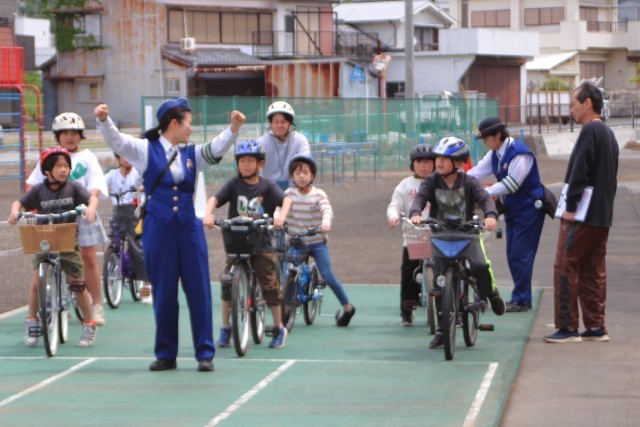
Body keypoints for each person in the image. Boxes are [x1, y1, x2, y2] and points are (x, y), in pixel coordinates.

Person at [95, 98, 246, 372]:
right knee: (164, 291)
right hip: (158, 228)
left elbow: (215, 148)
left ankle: (205, 353)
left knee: (199, 290)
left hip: (189, 229)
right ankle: (166, 353)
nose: (191, 128)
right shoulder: (145, 149)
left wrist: (233, 129)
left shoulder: (191, 153)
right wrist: (104, 121)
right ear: (173, 123)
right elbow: (118, 142)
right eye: (188, 123)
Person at [409, 137, 505, 349]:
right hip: (441, 235)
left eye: (445, 158)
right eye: (438, 158)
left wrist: (490, 215)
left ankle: (491, 294)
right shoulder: (431, 181)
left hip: (467, 234)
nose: (439, 162)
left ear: (459, 162)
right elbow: (419, 199)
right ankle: (442, 331)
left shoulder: (469, 182)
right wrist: (415, 213)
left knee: (480, 265)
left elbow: (485, 199)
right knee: (438, 283)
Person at [544, 81, 619, 343]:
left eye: (573, 104)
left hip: (582, 214)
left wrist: (570, 207)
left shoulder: (590, 131)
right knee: (593, 269)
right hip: (602, 215)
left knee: (566, 265)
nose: (571, 110)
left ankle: (567, 327)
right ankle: (596, 326)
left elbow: (580, 172)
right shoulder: (608, 133)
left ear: (587, 103)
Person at [204, 140, 292, 348]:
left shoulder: (267, 185)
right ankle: (226, 327)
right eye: (242, 160)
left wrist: (281, 217)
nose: (246, 164)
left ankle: (279, 327)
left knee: (269, 284)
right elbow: (214, 199)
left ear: (260, 163)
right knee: (227, 283)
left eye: (251, 160)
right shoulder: (234, 184)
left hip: (261, 243)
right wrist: (208, 215)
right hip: (236, 242)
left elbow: (286, 200)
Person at [8, 147, 99, 347]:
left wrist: (91, 208)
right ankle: (32, 321)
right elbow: (19, 203)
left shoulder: (74, 187)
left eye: (66, 166)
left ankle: (88, 323)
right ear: (47, 170)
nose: (64, 169)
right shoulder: (39, 190)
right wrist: (15, 212)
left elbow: (91, 198)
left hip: (67, 240)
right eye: (59, 166)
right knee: (37, 283)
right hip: (43, 240)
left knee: (77, 284)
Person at [26, 112, 109, 326]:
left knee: (88, 258)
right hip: (55, 216)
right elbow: (32, 184)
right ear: (57, 136)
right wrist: (34, 207)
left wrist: (88, 204)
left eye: (74, 133)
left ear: (81, 135)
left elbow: (96, 184)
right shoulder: (50, 156)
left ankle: (97, 305)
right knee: (53, 258)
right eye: (65, 133)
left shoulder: (88, 156)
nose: (69, 137)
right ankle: (59, 300)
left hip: (82, 213)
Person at [467, 117, 545, 313]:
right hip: (513, 209)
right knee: (512, 254)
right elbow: (476, 172)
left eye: (487, 138)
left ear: (498, 135)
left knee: (521, 255)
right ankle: (520, 297)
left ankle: (522, 299)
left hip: (529, 209)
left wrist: (483, 192)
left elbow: (511, 184)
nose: (485, 142)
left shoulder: (520, 153)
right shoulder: (495, 153)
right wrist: (457, 180)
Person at [280, 154, 356, 326]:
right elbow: (280, 209)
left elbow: (326, 210)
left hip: (316, 242)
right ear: (291, 176)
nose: (302, 176)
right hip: (295, 242)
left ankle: (348, 308)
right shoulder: (288, 194)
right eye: (297, 173)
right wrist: (278, 218)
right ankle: (286, 308)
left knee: (328, 276)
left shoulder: (318, 194)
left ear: (312, 175)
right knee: (286, 275)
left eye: (306, 172)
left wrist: (326, 222)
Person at [387, 144, 436, 325]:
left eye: (427, 162)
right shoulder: (405, 184)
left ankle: (450, 305)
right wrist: (393, 216)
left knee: (446, 269)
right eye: (419, 162)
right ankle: (407, 308)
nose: (423, 166)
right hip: (414, 237)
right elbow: (394, 204)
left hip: (437, 235)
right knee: (408, 272)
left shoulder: (439, 182)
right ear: (412, 164)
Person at [104, 153, 152, 303]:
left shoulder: (138, 173)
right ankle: (109, 286)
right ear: (118, 158)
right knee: (113, 245)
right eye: (124, 155)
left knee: (137, 247)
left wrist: (144, 188)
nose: (128, 158)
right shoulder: (112, 175)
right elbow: (100, 185)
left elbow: (150, 184)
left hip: (134, 212)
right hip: (117, 212)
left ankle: (147, 286)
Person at [257, 101, 310, 189]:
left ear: (290, 123)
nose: (279, 125)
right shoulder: (262, 142)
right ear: (270, 124)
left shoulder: (299, 140)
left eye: (283, 122)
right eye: (276, 122)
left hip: (294, 189)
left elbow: (305, 162)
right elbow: (253, 163)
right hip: (268, 190)